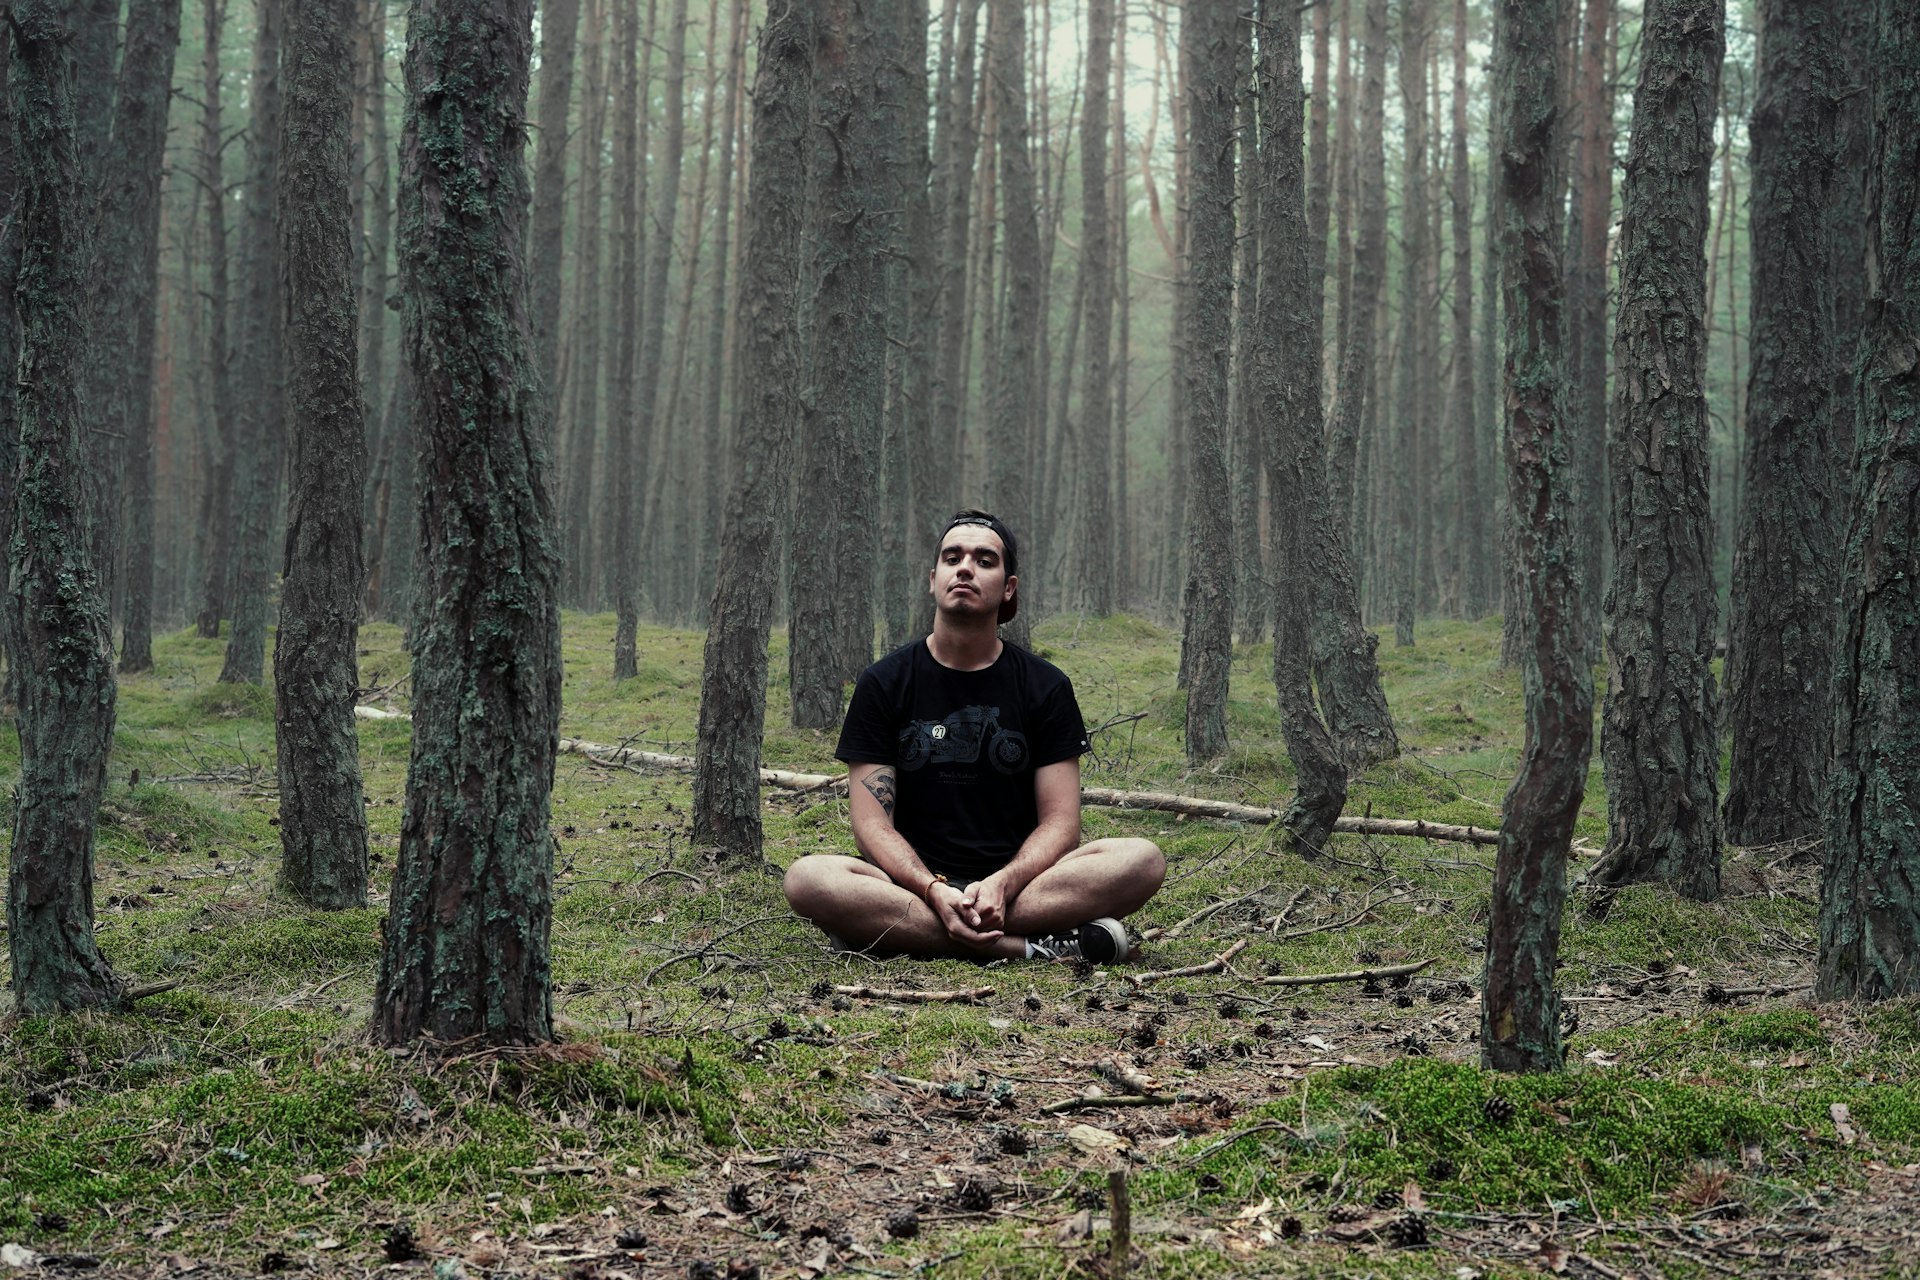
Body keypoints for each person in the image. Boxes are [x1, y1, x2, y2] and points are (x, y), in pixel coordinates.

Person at [783, 510, 1165, 962]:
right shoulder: (883, 682)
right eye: (953, 557)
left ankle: (893, 934)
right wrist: (931, 888)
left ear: (1008, 588)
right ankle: (1030, 947)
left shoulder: (1045, 685)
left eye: (985, 560)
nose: (965, 567)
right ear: (933, 578)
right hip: (912, 885)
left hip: (1021, 887)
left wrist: (1003, 882)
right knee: (808, 878)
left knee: (1143, 859)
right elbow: (870, 825)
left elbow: (1061, 822)